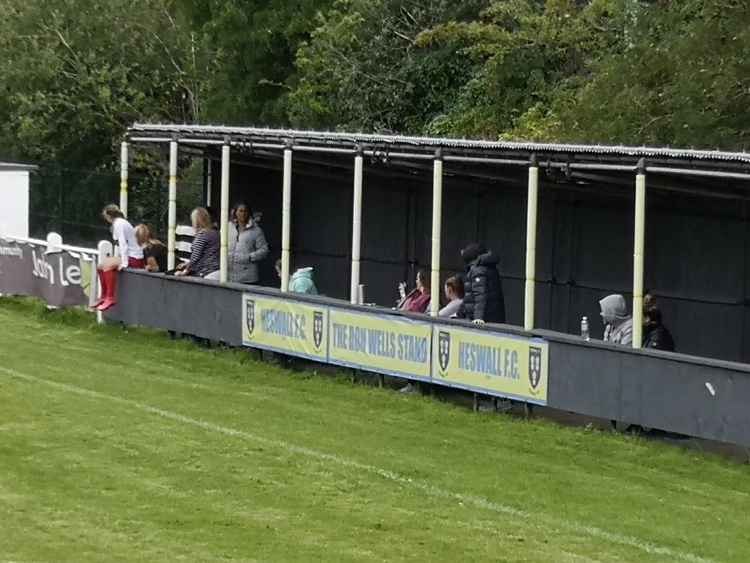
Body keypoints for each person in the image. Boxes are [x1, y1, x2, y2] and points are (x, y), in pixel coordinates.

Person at [95, 204, 144, 311]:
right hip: (130, 256)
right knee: (100, 266)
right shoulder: (119, 223)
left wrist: (124, 263)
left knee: (107, 265)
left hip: (135, 258)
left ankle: (110, 297)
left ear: (108, 216)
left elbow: (123, 243)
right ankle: (104, 296)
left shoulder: (119, 224)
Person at [458, 243, 505, 325]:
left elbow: (480, 295)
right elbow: (470, 297)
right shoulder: (489, 267)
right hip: (494, 318)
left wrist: (478, 317)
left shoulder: (478, 269)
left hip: (485, 320)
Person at [228, 202, 269, 284]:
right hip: (229, 275)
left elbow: (264, 250)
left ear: (249, 213)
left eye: (245, 211)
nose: (243, 213)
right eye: (240, 211)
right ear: (235, 212)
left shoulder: (256, 230)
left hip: (247, 277)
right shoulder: (228, 227)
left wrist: (249, 257)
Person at [175, 207, 219, 279]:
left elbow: (195, 256)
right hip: (218, 272)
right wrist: (187, 264)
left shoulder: (202, 234)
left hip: (208, 273)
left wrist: (184, 272)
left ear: (196, 221)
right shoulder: (215, 232)